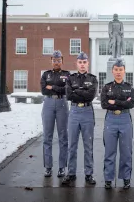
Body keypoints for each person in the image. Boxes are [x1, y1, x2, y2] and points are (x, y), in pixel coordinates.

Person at [62, 52, 98, 185]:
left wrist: (77, 91)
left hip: (87, 112)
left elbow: (90, 95)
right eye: (80, 62)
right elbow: (69, 95)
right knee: (72, 145)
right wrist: (82, 92)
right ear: (76, 64)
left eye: (84, 62)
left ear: (88, 63)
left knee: (88, 145)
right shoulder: (70, 78)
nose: (82, 65)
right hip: (74, 112)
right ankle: (71, 173)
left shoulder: (93, 79)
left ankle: (89, 174)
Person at [101, 58, 134, 190]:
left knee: (126, 151)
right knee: (110, 151)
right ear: (112, 71)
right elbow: (104, 104)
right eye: (116, 70)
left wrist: (114, 101)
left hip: (125, 118)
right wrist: (122, 101)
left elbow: (131, 103)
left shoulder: (129, 87)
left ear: (124, 71)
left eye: (121, 70)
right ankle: (108, 179)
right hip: (110, 119)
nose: (118, 72)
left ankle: (126, 178)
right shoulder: (107, 87)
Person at [40, 50, 70, 178]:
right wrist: (57, 88)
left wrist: (52, 87)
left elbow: (67, 90)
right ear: (51, 61)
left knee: (63, 137)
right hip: (48, 104)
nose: (56, 62)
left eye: (59, 60)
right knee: (47, 136)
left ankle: (62, 167)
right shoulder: (45, 75)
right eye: (54, 60)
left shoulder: (67, 74)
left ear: (62, 61)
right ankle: (48, 167)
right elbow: (43, 90)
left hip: (62, 104)